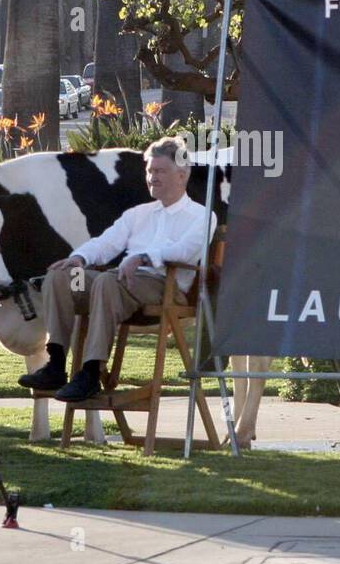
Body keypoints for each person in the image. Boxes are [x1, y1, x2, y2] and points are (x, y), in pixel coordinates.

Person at [19, 137, 215, 401]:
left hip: (162, 286)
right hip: (118, 285)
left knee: (106, 282)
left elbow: (184, 251)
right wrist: (79, 258)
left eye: (160, 171)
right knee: (62, 277)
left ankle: (91, 371)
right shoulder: (139, 214)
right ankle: (56, 363)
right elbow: (106, 243)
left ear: (181, 175)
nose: (152, 177)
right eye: (149, 171)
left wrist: (144, 257)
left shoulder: (201, 215)